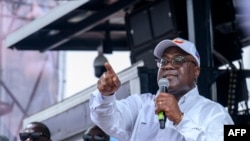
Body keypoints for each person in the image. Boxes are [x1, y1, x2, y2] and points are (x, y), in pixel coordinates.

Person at [89, 37, 234, 141]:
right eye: (163, 61)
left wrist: (180, 120)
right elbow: (107, 120)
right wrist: (106, 96)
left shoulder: (214, 113)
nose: (168, 65)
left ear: (196, 71)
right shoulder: (141, 105)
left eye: (178, 60)